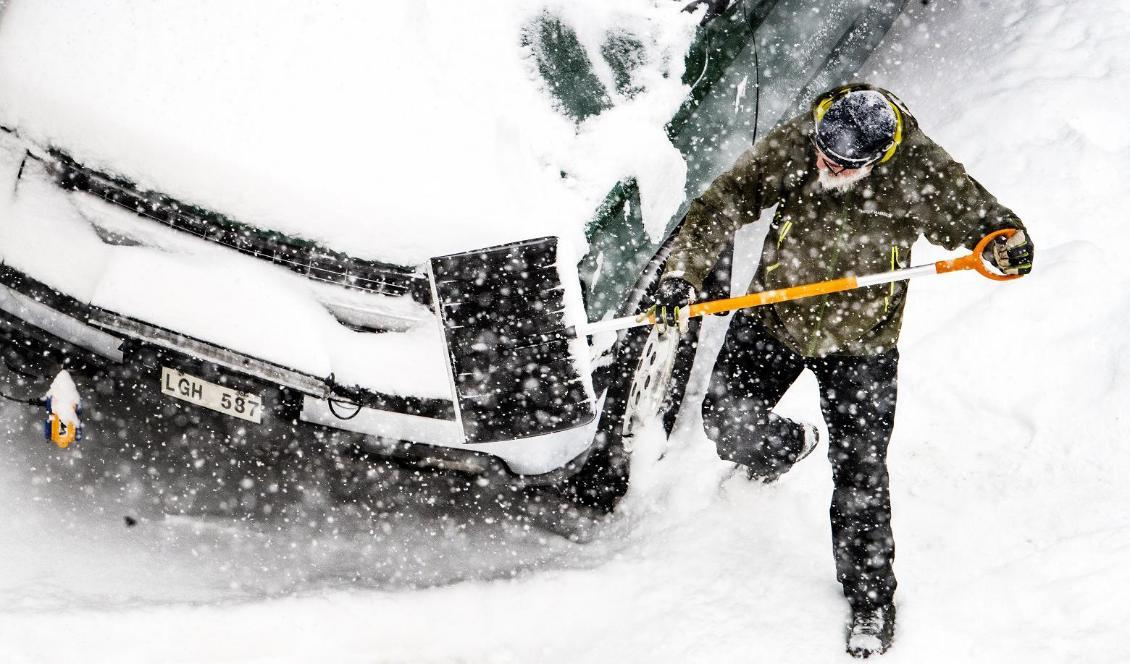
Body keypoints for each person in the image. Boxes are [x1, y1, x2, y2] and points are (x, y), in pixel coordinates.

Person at [650, 83, 1033, 658]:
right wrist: (682, 274)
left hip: (863, 343)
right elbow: (725, 200)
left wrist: (1006, 244)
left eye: (843, 163)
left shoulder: (918, 168)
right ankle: (781, 449)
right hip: (775, 313)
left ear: (879, 156)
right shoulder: (803, 140)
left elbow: (981, 221)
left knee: (860, 479)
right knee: (726, 419)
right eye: (824, 155)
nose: (827, 166)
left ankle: (872, 601)